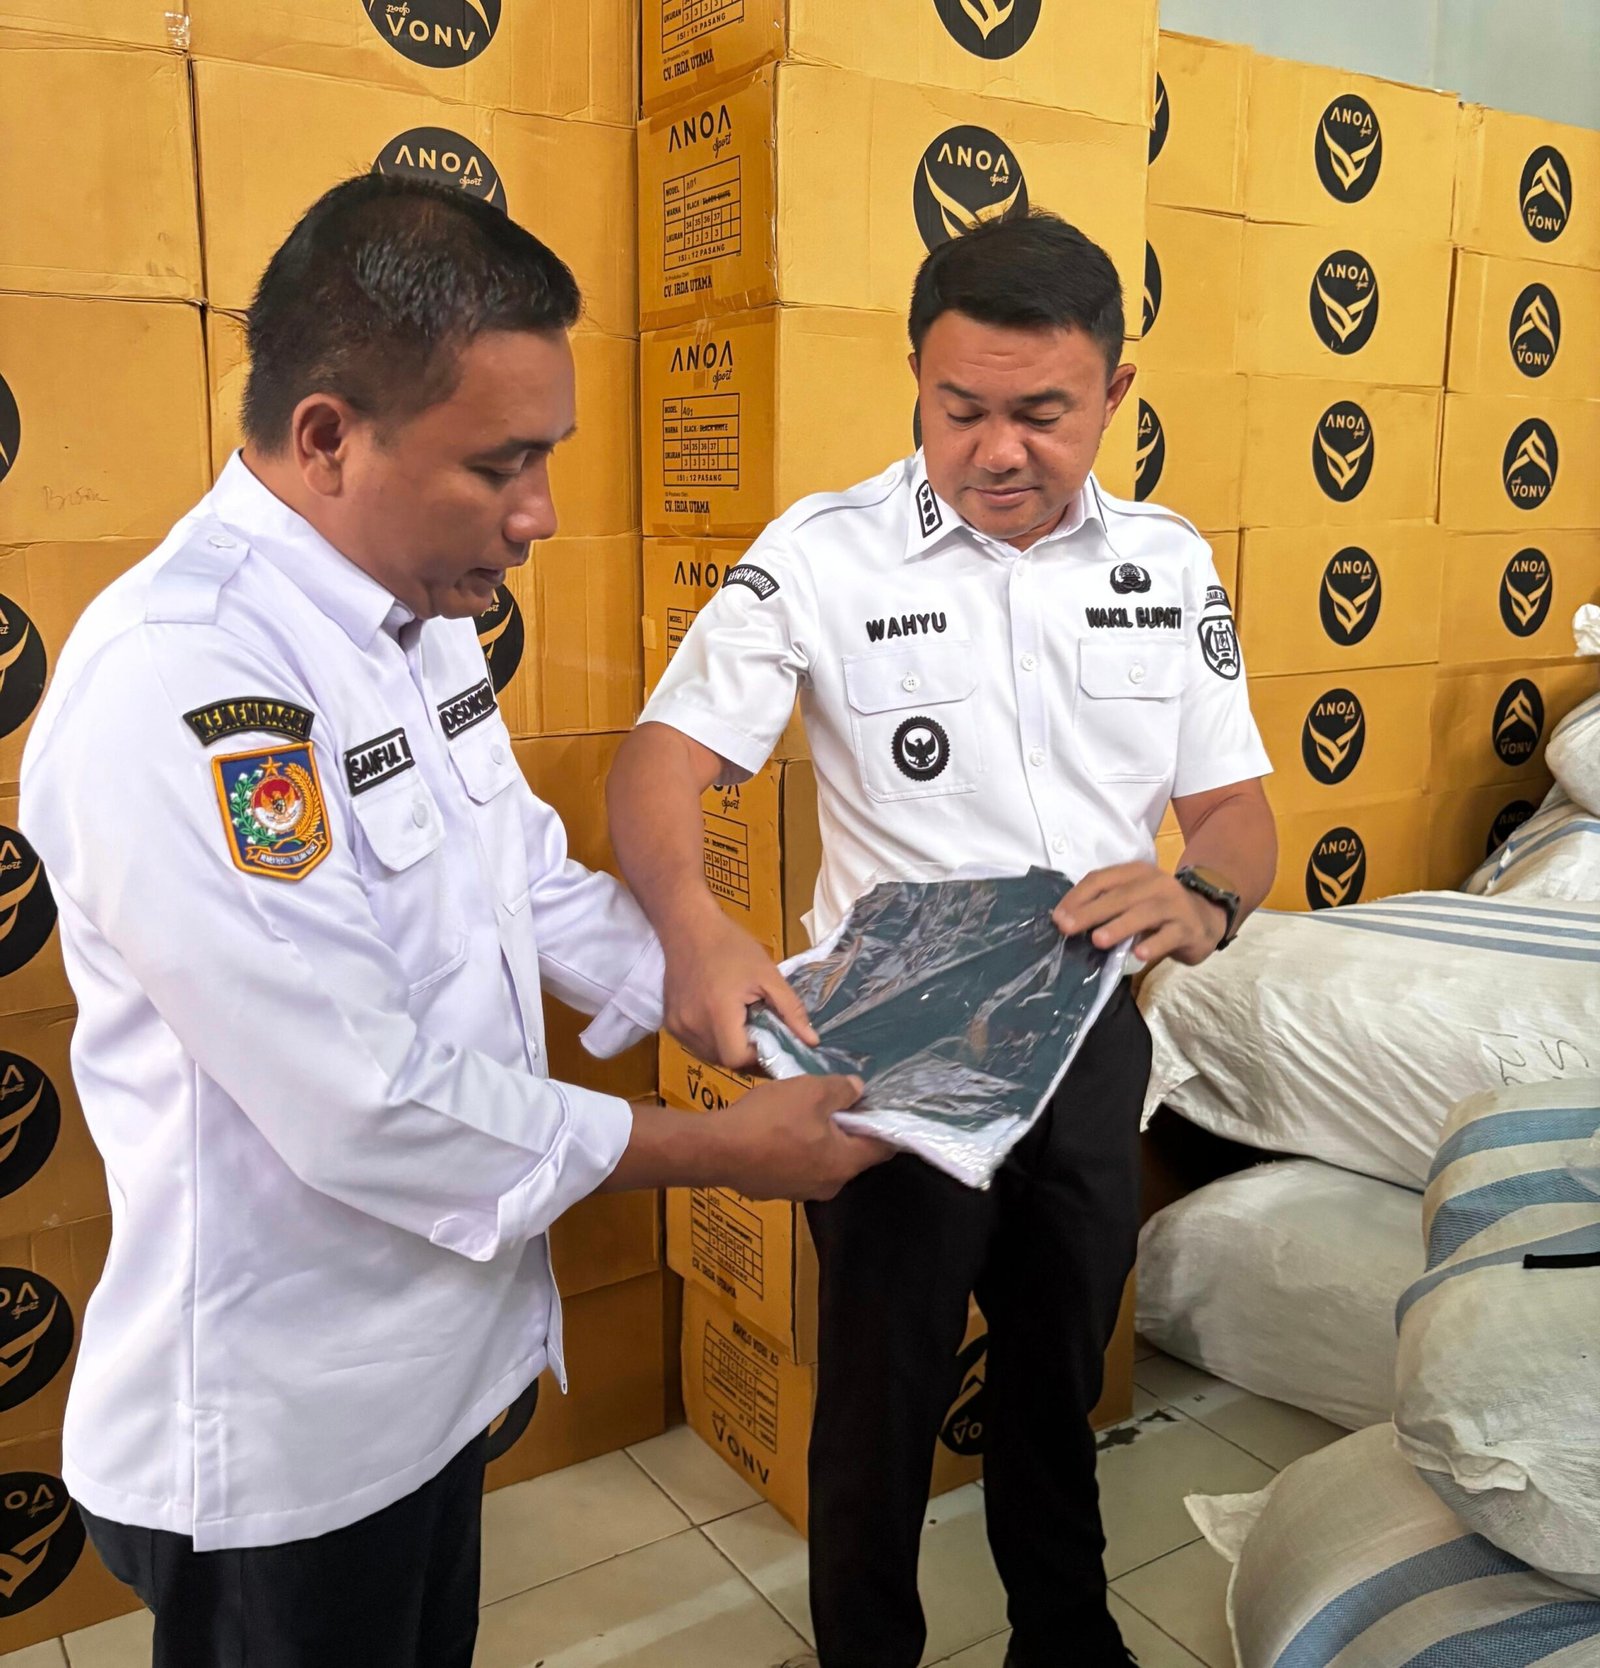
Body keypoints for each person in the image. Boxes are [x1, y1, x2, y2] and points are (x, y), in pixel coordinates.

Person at [18, 174, 886, 1668]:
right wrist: (719, 1152)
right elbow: (364, 1100)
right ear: (327, 438)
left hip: (432, 1375)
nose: (539, 514)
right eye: (501, 466)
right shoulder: (185, 681)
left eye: (545, 458)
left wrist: (708, 980)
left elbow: (520, 878)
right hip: (284, 1440)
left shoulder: (414, 614)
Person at [607, 211, 1278, 1668]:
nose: (998, 451)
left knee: (1057, 1383)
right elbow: (662, 760)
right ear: (914, 376)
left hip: (1086, 1040)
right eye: (959, 408)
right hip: (892, 1062)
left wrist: (1207, 899)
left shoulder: (1167, 564)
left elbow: (1236, 812)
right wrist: (694, 927)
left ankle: (1066, 1638)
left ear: (1115, 391)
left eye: (1044, 413)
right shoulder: (823, 555)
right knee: (879, 1406)